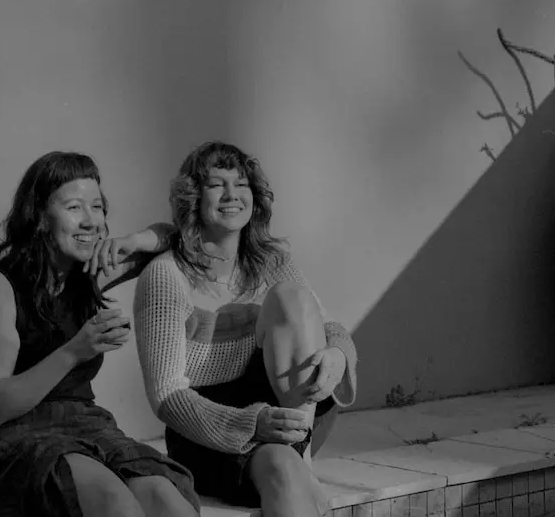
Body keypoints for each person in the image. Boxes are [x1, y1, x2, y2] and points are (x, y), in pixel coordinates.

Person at [86, 141, 358, 517]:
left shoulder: (271, 261)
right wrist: (251, 423)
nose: (232, 194)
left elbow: (331, 329)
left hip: (292, 414)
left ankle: (302, 452)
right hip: (209, 428)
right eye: (217, 185)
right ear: (195, 197)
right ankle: (297, 462)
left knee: (292, 297)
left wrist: (339, 357)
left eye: (241, 183)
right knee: (282, 470)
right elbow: (167, 396)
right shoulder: (167, 275)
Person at [0, 151, 201, 517]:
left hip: (85, 426)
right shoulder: (0, 287)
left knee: (167, 501)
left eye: (98, 207)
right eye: (74, 207)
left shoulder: (87, 276)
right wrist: (75, 351)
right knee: (115, 503)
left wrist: (130, 241)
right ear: (39, 217)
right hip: (10, 438)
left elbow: (175, 239)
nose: (91, 221)